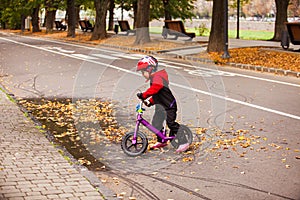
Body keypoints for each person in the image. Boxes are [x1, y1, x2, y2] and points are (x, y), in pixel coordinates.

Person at [136, 55, 190, 153]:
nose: (142, 74)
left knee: (171, 123)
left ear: (149, 69)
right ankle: (161, 140)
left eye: (143, 72)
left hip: (169, 106)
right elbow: (157, 94)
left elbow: (156, 88)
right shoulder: (154, 78)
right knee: (156, 123)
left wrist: (144, 95)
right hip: (160, 107)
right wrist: (150, 102)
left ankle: (184, 142)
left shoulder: (158, 77)